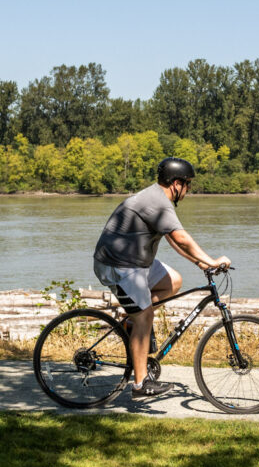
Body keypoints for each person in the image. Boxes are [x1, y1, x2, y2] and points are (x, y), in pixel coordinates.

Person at [92, 157, 230, 398]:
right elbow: (181, 238)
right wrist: (212, 261)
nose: (189, 190)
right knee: (145, 315)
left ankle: (131, 323)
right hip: (118, 264)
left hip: (136, 262)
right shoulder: (157, 202)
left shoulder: (158, 199)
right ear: (176, 184)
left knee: (173, 281)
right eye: (188, 185)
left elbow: (172, 238)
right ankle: (140, 384)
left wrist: (199, 263)